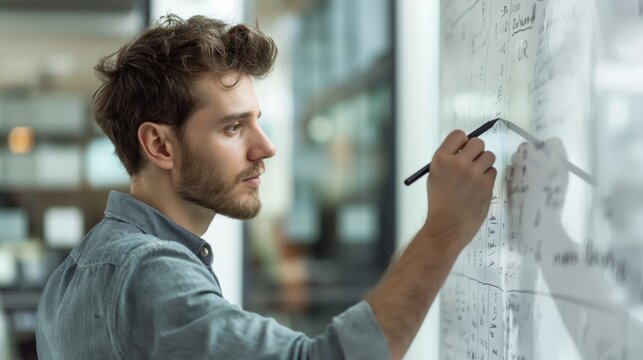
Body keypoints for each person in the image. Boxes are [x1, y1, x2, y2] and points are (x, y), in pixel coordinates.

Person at [35, 14, 496, 360]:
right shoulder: (146, 272)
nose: (267, 147)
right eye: (234, 128)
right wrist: (444, 229)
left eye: (258, 122)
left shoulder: (78, 273)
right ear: (159, 145)